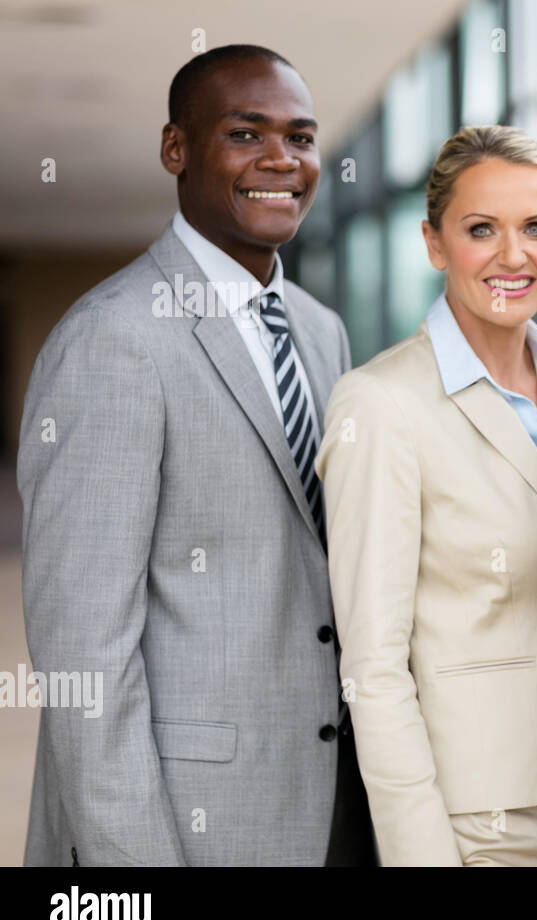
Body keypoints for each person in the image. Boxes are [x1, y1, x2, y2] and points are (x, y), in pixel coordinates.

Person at [18, 44, 374, 865]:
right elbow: (85, 656)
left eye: (302, 137)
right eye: (246, 134)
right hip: (188, 821)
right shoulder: (113, 340)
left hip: (333, 805)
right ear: (176, 149)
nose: (281, 160)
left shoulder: (321, 332)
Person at [316, 125, 537, 866]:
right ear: (434, 243)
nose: (514, 256)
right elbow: (373, 666)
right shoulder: (380, 405)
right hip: (480, 823)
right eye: (482, 229)